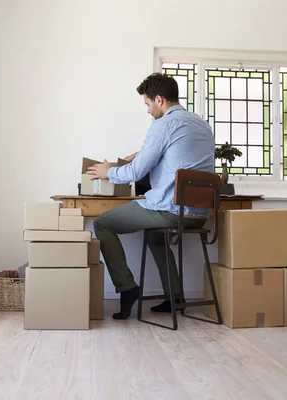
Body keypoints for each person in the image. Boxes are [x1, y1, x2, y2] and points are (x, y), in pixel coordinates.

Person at [86, 73, 214, 320]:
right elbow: (180, 158)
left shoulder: (163, 124)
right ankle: (175, 298)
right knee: (155, 237)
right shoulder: (201, 124)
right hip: (199, 213)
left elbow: (135, 172)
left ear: (159, 99)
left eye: (147, 104)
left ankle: (127, 288)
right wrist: (143, 153)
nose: (147, 111)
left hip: (171, 209)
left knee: (102, 223)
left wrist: (107, 171)